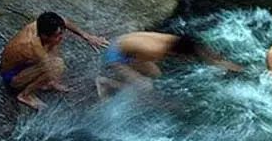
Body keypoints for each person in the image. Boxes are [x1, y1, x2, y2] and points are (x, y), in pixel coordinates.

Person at [0, 11, 108, 110]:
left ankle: (46, 81)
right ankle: (25, 95)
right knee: (57, 65)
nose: (62, 36)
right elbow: (50, 67)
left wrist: (88, 36)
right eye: (58, 34)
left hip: (28, 63)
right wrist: (51, 80)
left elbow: (64, 21)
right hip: (12, 76)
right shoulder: (31, 47)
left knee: (54, 45)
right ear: (44, 35)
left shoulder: (39, 25)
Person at [96, 31, 243, 98]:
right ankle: (106, 83)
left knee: (156, 74)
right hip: (116, 55)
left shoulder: (175, 40)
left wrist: (231, 66)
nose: (186, 60)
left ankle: (127, 81)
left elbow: (204, 53)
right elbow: (133, 61)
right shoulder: (156, 51)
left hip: (127, 43)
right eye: (185, 58)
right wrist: (135, 78)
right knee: (146, 87)